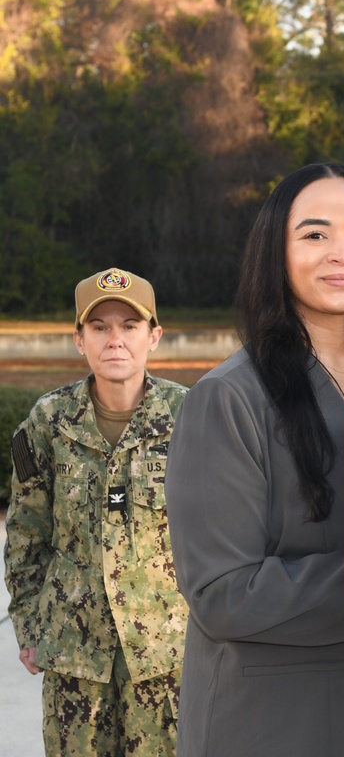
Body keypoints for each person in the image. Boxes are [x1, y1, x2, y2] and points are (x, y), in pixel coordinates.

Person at [162, 162, 344, 757]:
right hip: (284, 724)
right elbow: (224, 593)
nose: (342, 253)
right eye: (315, 233)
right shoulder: (229, 398)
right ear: (275, 252)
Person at [4, 267, 188, 756]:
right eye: (99, 327)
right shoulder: (49, 421)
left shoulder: (190, 417)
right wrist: (29, 627)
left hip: (165, 652)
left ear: (154, 336)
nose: (115, 340)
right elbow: (25, 533)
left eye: (129, 326)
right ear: (79, 340)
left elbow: (221, 530)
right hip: (73, 654)